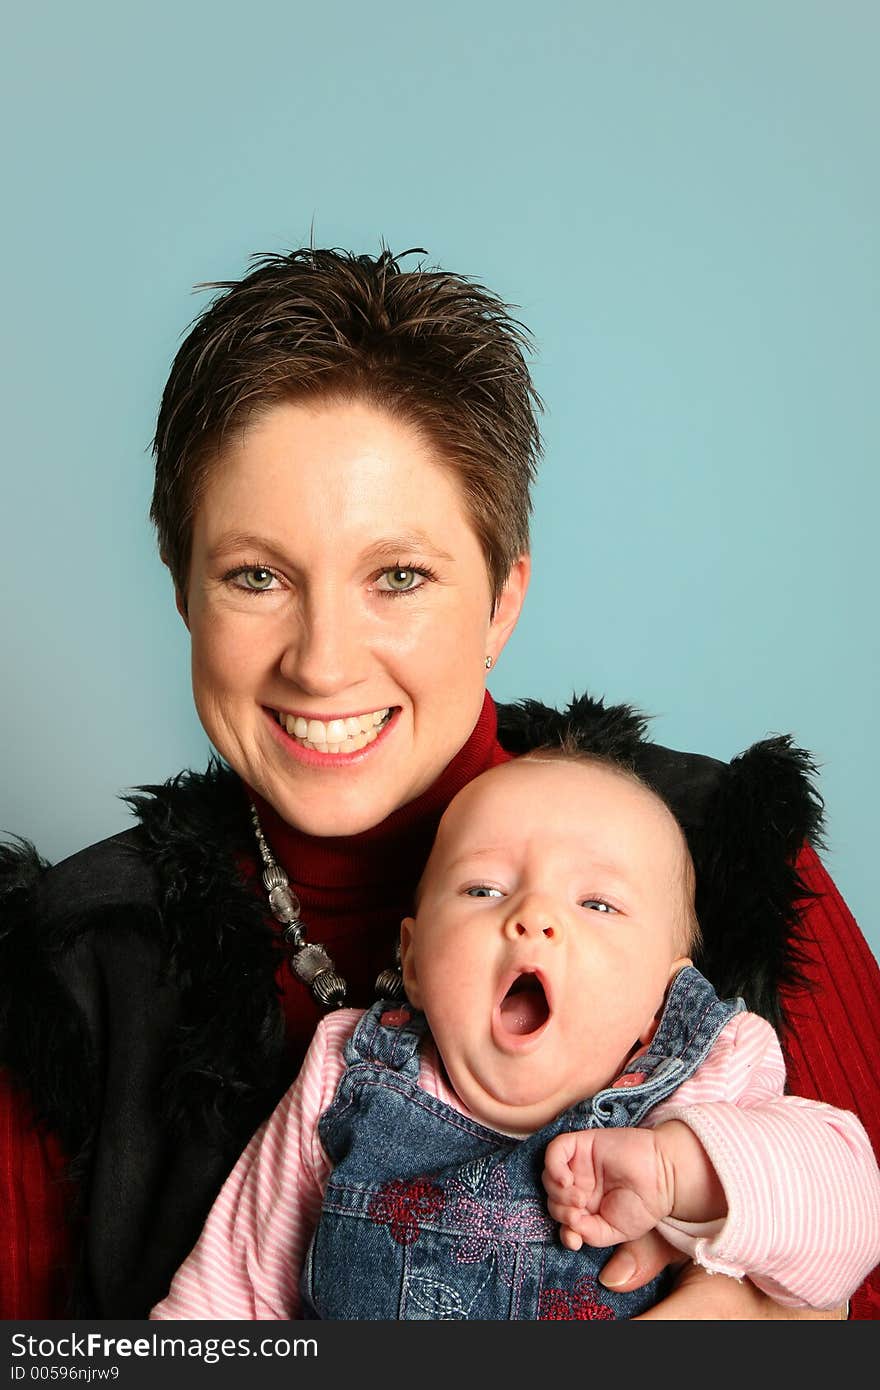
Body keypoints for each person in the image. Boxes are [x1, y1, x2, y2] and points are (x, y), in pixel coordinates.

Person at [2, 247, 879, 1320]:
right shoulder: (67, 968)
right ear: (183, 588)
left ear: (503, 599)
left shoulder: (723, 851)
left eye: (399, 575)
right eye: (256, 575)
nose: (322, 660)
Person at [150, 753, 880, 1320]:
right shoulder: (352, 1072)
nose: (533, 916)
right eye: (484, 890)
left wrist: (680, 1170)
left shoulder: (706, 1072)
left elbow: (850, 1225)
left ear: (667, 994)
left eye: (597, 902)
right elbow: (233, 1287)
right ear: (413, 958)